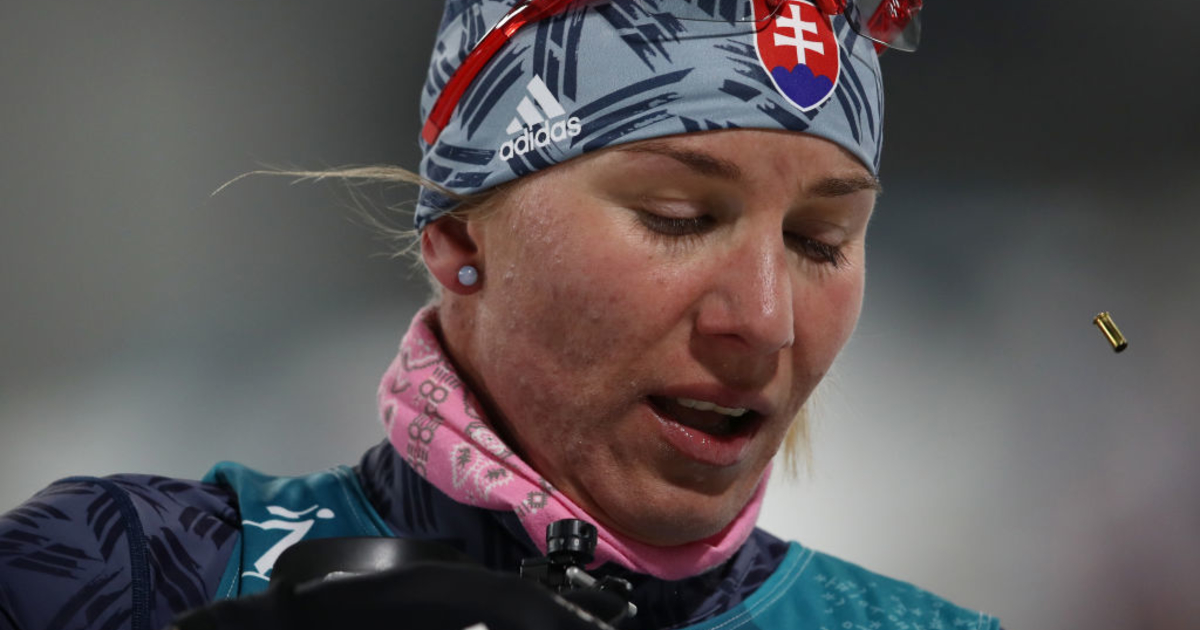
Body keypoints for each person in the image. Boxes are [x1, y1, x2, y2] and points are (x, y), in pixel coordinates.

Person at [0, 1, 1001, 629]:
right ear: (458, 241)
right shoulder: (129, 568)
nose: (767, 318)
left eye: (819, 240)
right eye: (678, 217)